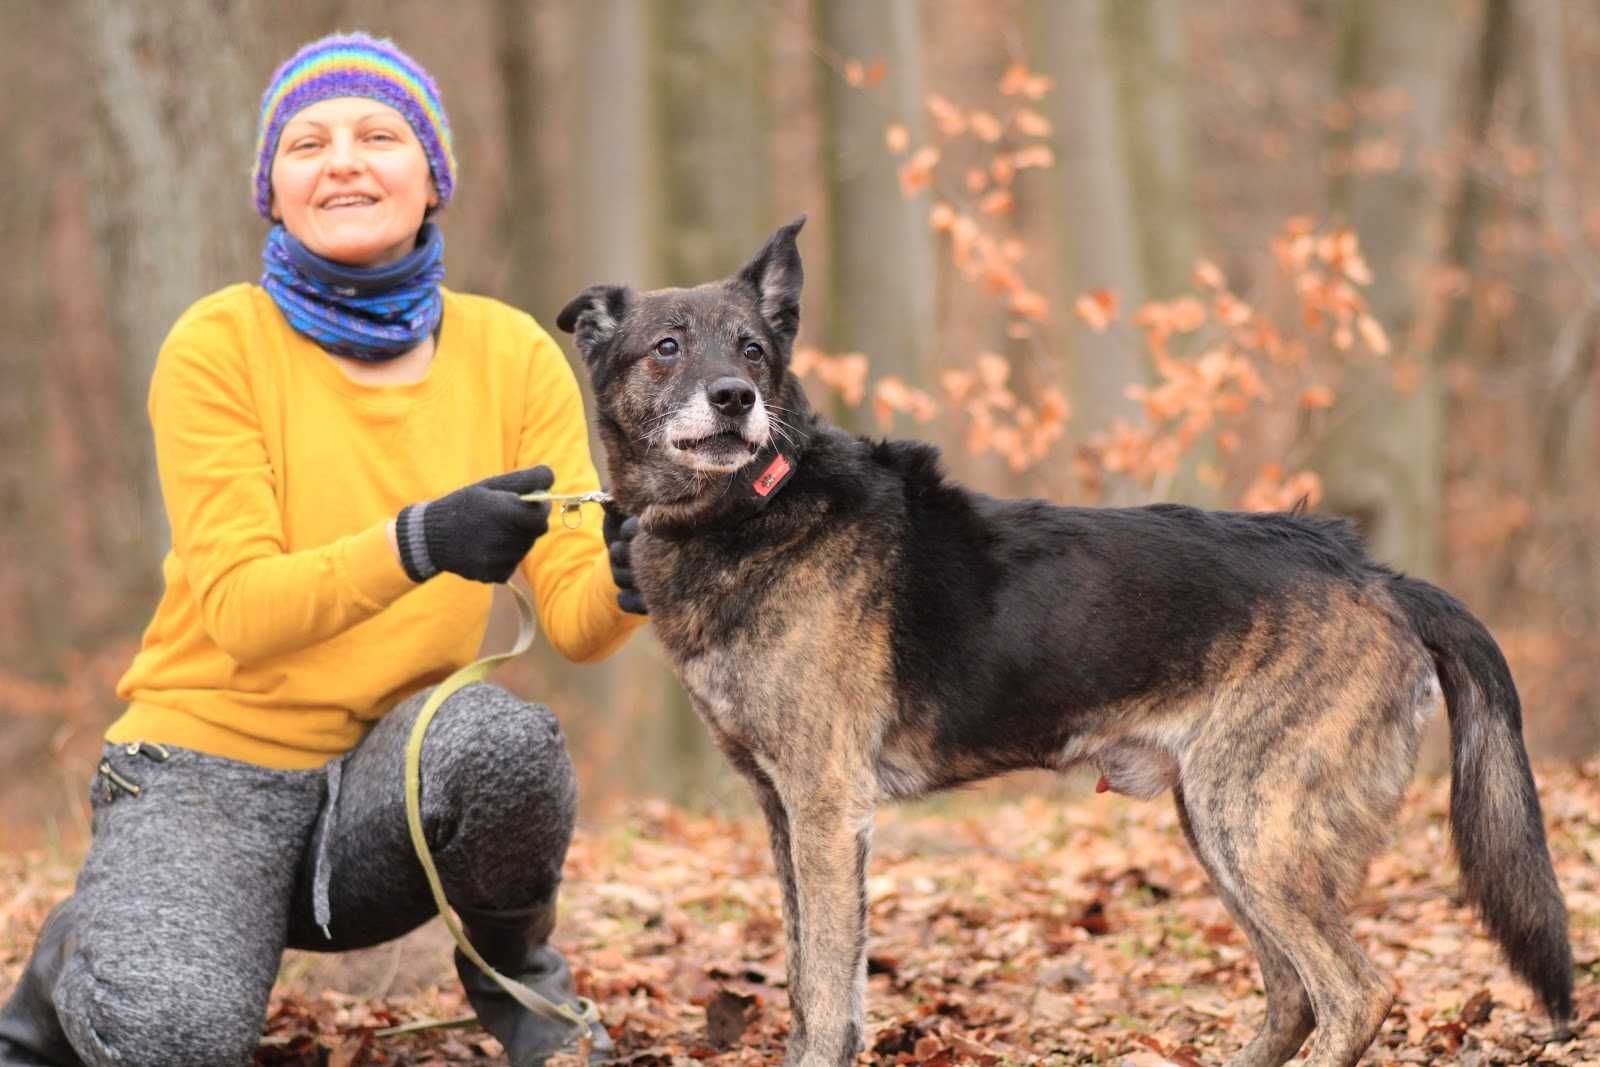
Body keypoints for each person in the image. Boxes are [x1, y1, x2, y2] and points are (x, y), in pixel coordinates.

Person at [0, 32, 647, 1067]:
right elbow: (243, 611)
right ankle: (81, 952)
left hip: (382, 797)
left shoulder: (514, 353)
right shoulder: (219, 345)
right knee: (169, 1034)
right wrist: (423, 540)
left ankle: (527, 991)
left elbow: (574, 615)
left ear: (431, 176)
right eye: (307, 143)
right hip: (205, 765)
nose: (342, 158)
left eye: (378, 134)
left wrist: (632, 572)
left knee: (509, 744)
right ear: (275, 190)